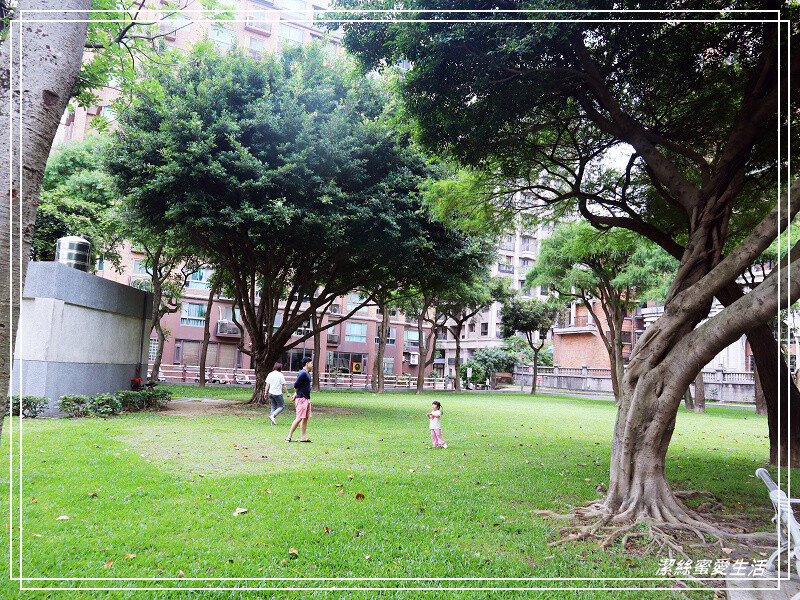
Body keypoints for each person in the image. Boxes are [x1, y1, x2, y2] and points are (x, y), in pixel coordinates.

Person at [285, 357, 313, 443]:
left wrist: (295, 394)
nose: (312, 365)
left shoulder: (307, 374)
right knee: (299, 418)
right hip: (302, 399)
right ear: (307, 364)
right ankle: (288, 436)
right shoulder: (303, 373)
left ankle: (303, 437)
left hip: (307, 398)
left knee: (305, 418)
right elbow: (296, 385)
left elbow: (301, 386)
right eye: (311, 363)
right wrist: (296, 394)